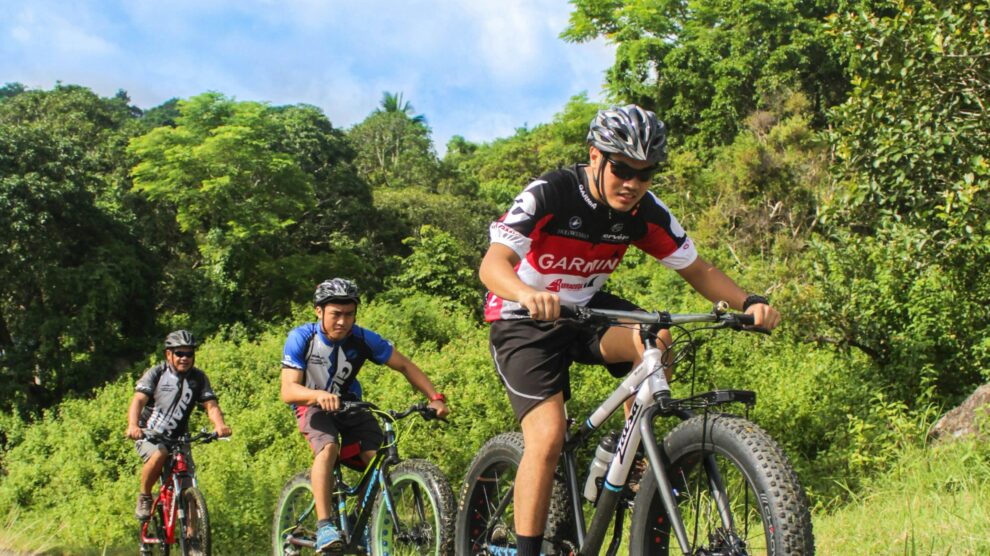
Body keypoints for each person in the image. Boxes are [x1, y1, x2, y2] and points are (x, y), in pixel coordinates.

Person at [478, 104, 781, 555]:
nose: (632, 184)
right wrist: (525, 294)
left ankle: (631, 458)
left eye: (645, 174)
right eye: (622, 169)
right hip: (523, 317)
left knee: (656, 339)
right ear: (595, 156)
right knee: (547, 436)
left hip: (586, 311)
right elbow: (493, 264)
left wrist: (749, 302)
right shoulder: (552, 192)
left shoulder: (644, 211)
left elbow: (698, 269)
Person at [280, 277, 450, 553]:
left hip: (350, 405)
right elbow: (288, 390)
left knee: (376, 461)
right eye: (336, 314)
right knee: (328, 447)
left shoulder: (361, 339)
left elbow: (405, 365)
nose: (342, 321)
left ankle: (363, 522)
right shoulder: (302, 338)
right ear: (318, 311)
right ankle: (324, 525)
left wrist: (435, 398)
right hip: (310, 404)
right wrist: (317, 395)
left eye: (349, 314)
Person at [126, 330, 232, 522]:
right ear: (169, 354)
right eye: (179, 353)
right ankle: (145, 496)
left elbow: (211, 405)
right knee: (159, 454)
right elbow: (138, 401)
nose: (185, 358)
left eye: (189, 354)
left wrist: (220, 425)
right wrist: (133, 426)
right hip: (150, 434)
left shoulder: (198, 378)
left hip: (179, 438)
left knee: (188, 482)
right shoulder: (157, 373)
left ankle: (193, 541)